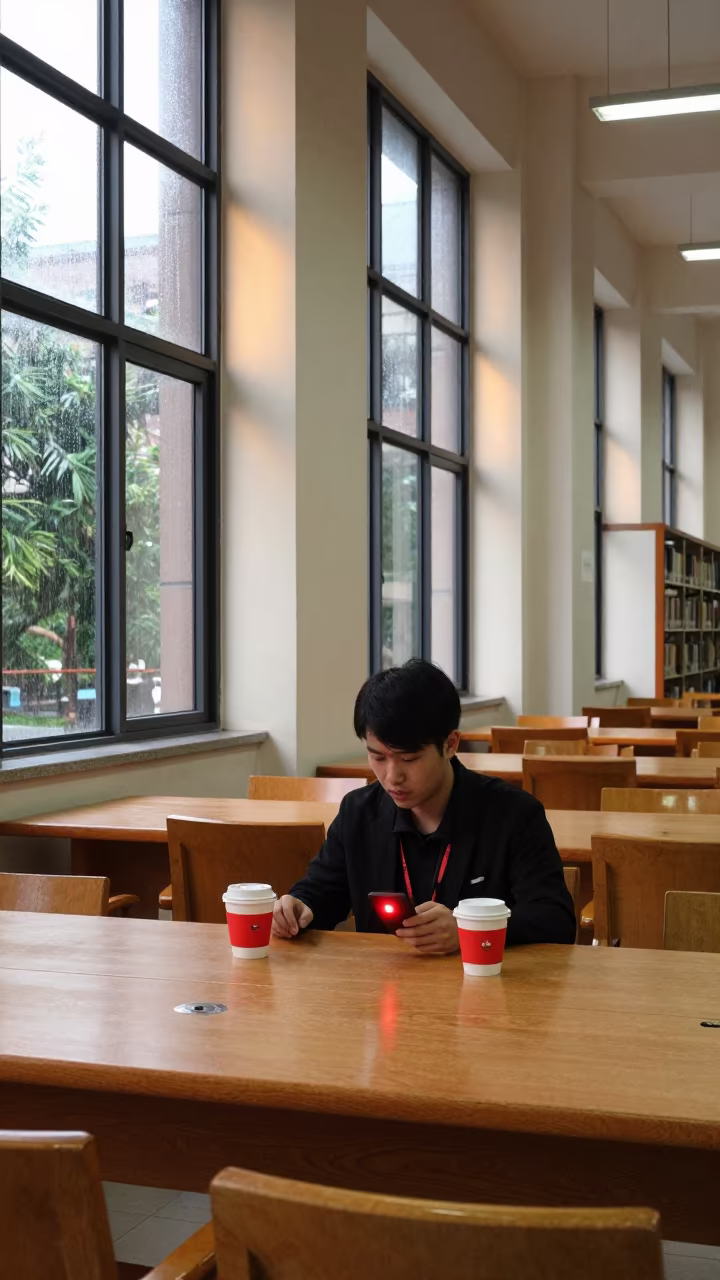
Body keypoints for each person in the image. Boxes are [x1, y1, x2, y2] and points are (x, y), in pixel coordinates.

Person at [272, 659, 576, 953]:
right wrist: (299, 907)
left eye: (409, 759)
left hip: (484, 991)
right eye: (378, 757)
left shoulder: (514, 815)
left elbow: (555, 920)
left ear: (451, 744)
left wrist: (470, 929)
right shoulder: (359, 812)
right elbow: (321, 892)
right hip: (383, 992)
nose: (393, 776)